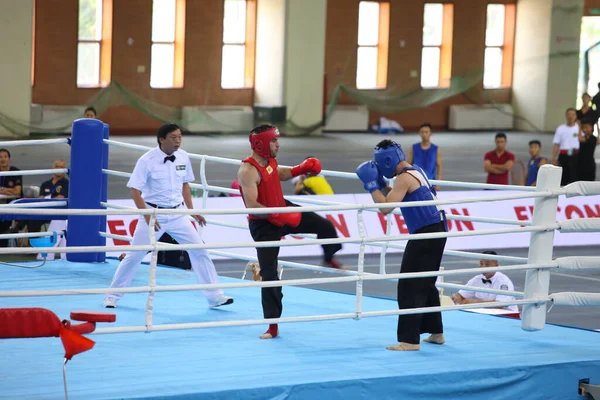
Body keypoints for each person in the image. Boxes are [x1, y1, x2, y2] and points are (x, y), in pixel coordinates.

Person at [104, 123, 233, 309]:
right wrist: (147, 215)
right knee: (135, 255)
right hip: (153, 213)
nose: (178, 141)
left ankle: (215, 296)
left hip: (178, 213)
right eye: (173, 137)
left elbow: (185, 185)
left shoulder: (183, 157)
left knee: (200, 250)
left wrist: (191, 210)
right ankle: (112, 296)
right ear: (161, 139)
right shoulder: (146, 160)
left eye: (180, 137)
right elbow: (134, 191)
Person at [237, 124, 344, 339]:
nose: (278, 144)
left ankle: (329, 256)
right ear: (260, 144)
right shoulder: (247, 171)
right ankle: (272, 326)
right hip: (264, 224)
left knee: (324, 225)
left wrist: (300, 169)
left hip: (282, 207)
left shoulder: (269, 161)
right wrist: (278, 215)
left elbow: (279, 174)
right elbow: (252, 205)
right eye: (274, 141)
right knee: (269, 274)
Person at [356, 140, 447, 352]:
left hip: (427, 233)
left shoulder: (404, 178)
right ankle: (436, 331)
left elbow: (386, 208)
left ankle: (410, 340)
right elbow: (395, 193)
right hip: (436, 228)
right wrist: (379, 185)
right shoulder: (414, 171)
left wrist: (371, 186)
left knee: (409, 285)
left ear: (386, 161)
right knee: (425, 282)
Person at [451, 251, 518, 313]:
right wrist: (456, 299)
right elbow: (460, 295)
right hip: (486, 313)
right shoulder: (477, 279)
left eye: (487, 264)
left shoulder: (504, 281)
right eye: (481, 264)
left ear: (496, 265)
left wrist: (473, 303)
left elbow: (500, 304)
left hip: (507, 315)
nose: (483, 267)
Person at [407, 123, 443, 190]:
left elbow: (439, 167)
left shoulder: (436, 149)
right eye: (422, 132)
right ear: (419, 133)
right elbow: (408, 166)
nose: (424, 134)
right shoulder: (413, 148)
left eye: (426, 132)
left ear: (431, 134)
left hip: (431, 183)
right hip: (416, 182)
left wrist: (438, 183)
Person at [0, 148, 23, 247]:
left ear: (9, 158)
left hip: (11, 205)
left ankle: (3, 247)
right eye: (0, 157)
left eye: (5, 157)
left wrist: (2, 189)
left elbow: (17, 191)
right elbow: (13, 189)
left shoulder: (15, 172)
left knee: (3, 221)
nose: (3, 159)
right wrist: (8, 189)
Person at [551, 108, 580, 186]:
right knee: (562, 178)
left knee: (574, 179)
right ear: (566, 116)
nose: (570, 117)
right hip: (563, 156)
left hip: (575, 156)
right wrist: (553, 157)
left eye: (573, 115)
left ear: (576, 116)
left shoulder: (579, 128)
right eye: (568, 115)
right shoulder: (560, 129)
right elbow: (556, 144)